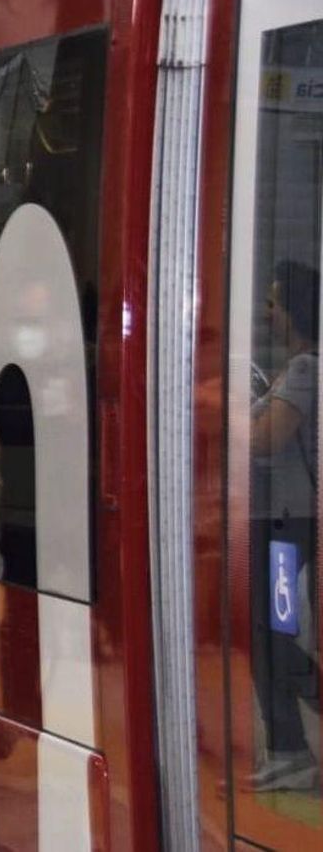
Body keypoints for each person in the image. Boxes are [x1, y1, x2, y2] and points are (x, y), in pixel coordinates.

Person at [248, 259, 323, 792]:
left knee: (278, 633)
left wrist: (229, 419)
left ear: (293, 309)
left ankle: (293, 749)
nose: (266, 312)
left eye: (273, 302)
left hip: (288, 525)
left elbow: (266, 440)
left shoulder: (303, 370)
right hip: (285, 521)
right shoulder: (295, 366)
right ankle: (288, 747)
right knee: (274, 630)